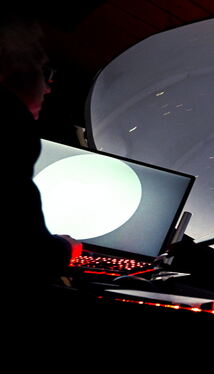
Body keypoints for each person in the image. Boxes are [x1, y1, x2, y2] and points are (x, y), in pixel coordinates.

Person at [2, 13, 81, 292]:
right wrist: (66, 248)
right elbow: (29, 259)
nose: (48, 88)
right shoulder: (10, 131)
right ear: (12, 69)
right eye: (43, 70)